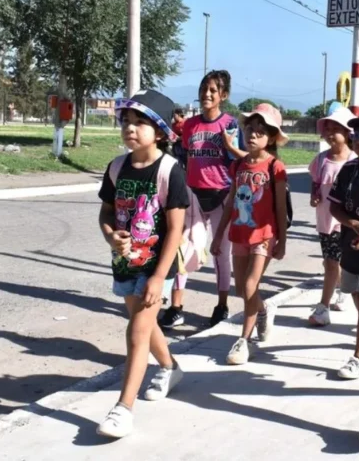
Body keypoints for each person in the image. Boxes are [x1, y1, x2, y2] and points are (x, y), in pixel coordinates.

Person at [96, 90, 189, 438]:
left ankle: (123, 409)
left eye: (140, 123)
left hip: (157, 267)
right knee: (145, 327)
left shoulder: (170, 170)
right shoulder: (117, 167)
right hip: (125, 264)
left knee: (136, 330)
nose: (130, 129)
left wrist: (160, 277)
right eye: (126, 122)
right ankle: (170, 367)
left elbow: (177, 228)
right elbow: (106, 210)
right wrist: (109, 235)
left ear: (161, 132)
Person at [164, 70, 246, 330]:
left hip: (222, 195)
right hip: (193, 195)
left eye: (213, 90)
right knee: (181, 249)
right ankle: (176, 307)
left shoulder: (230, 125)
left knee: (221, 251)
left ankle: (221, 306)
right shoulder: (190, 125)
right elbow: (187, 156)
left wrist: (230, 146)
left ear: (224, 95)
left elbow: (241, 159)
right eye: (204, 89)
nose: (207, 94)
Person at [211, 103, 289, 365]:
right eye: (250, 129)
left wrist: (282, 240)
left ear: (272, 137)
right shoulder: (239, 166)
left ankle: (244, 340)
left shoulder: (275, 167)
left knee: (248, 286)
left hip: (264, 237)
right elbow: (231, 201)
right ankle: (264, 309)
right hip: (238, 235)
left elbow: (280, 207)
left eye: (260, 131)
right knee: (242, 290)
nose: (253, 135)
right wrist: (218, 235)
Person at [328, 114, 359, 378]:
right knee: (355, 292)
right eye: (356, 137)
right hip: (350, 241)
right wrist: (352, 223)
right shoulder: (349, 169)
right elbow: (334, 205)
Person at [308, 107, 357, 326]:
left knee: (338, 263)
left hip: (347, 223)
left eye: (335, 129)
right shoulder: (320, 160)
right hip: (325, 221)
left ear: (348, 133)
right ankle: (334, 297)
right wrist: (314, 196)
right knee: (330, 262)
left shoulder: (355, 161)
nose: (330, 134)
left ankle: (325, 305)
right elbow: (316, 183)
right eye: (327, 129)